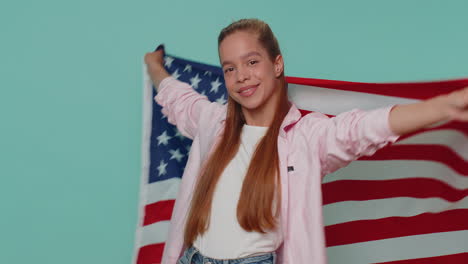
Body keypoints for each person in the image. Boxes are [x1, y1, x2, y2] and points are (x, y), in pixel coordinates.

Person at [144, 18, 468, 264]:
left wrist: (441, 106)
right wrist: (155, 67)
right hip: (193, 256)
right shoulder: (212, 123)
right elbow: (178, 98)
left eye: (252, 61)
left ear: (277, 64)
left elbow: (364, 128)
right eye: (230, 68)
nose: (241, 75)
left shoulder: (307, 136)